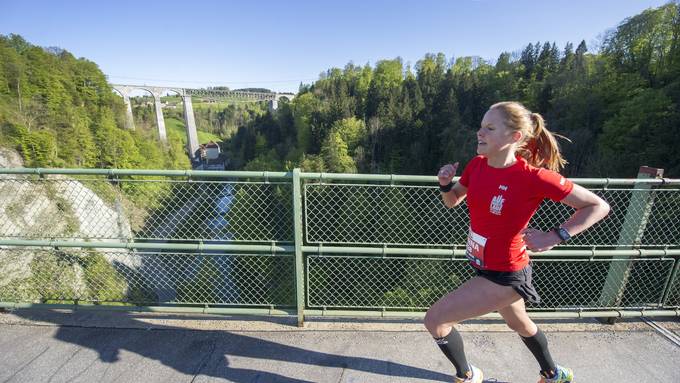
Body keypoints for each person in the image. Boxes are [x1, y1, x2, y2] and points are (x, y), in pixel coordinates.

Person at [425, 101, 610, 383]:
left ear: (515, 137)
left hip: (506, 274)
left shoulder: (533, 178)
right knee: (520, 323)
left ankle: (468, 376)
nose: (480, 133)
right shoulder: (477, 166)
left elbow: (598, 206)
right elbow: (452, 202)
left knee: (436, 320)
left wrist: (555, 235)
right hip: (485, 266)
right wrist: (445, 184)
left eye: (489, 128)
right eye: (480, 127)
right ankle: (554, 374)